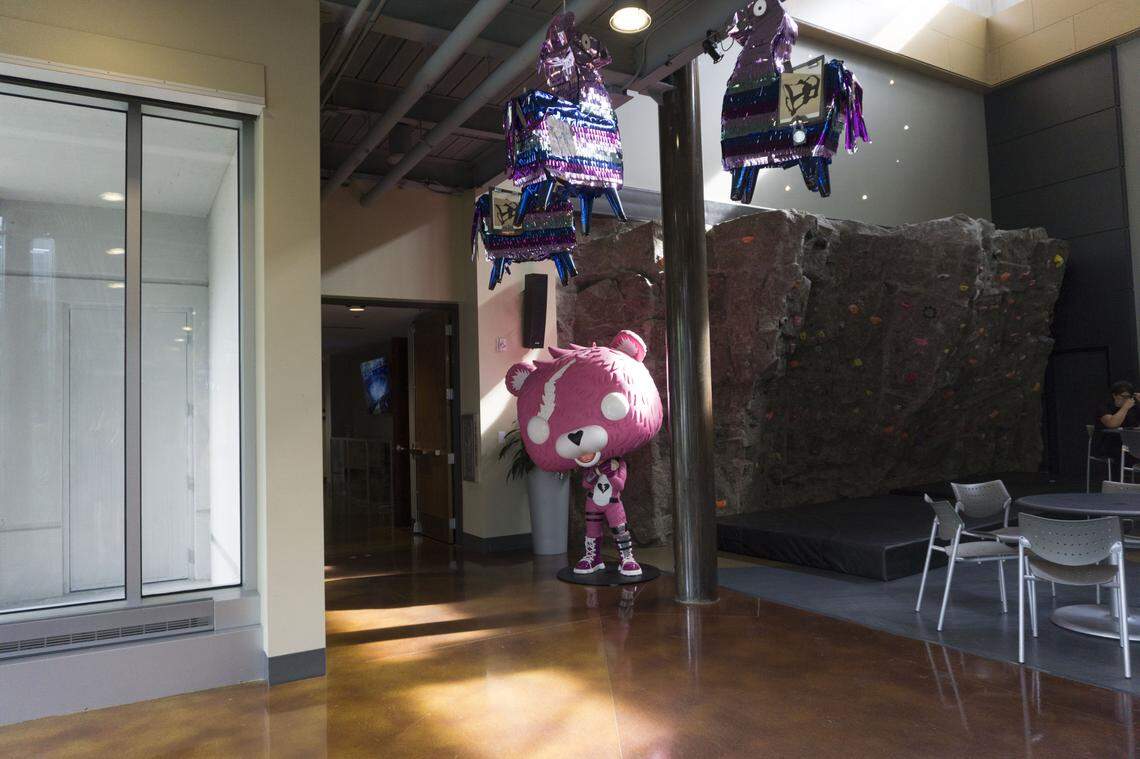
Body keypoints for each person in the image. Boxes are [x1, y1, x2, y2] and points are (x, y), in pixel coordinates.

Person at [1095, 381, 1140, 465]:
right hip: (1108, 443)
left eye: (1129, 397)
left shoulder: (1134, 408)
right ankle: (1123, 477)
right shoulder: (1104, 406)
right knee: (1123, 452)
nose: (1126, 400)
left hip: (1130, 442)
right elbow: (1112, 424)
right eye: (1123, 396)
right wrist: (1125, 407)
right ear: (1114, 395)